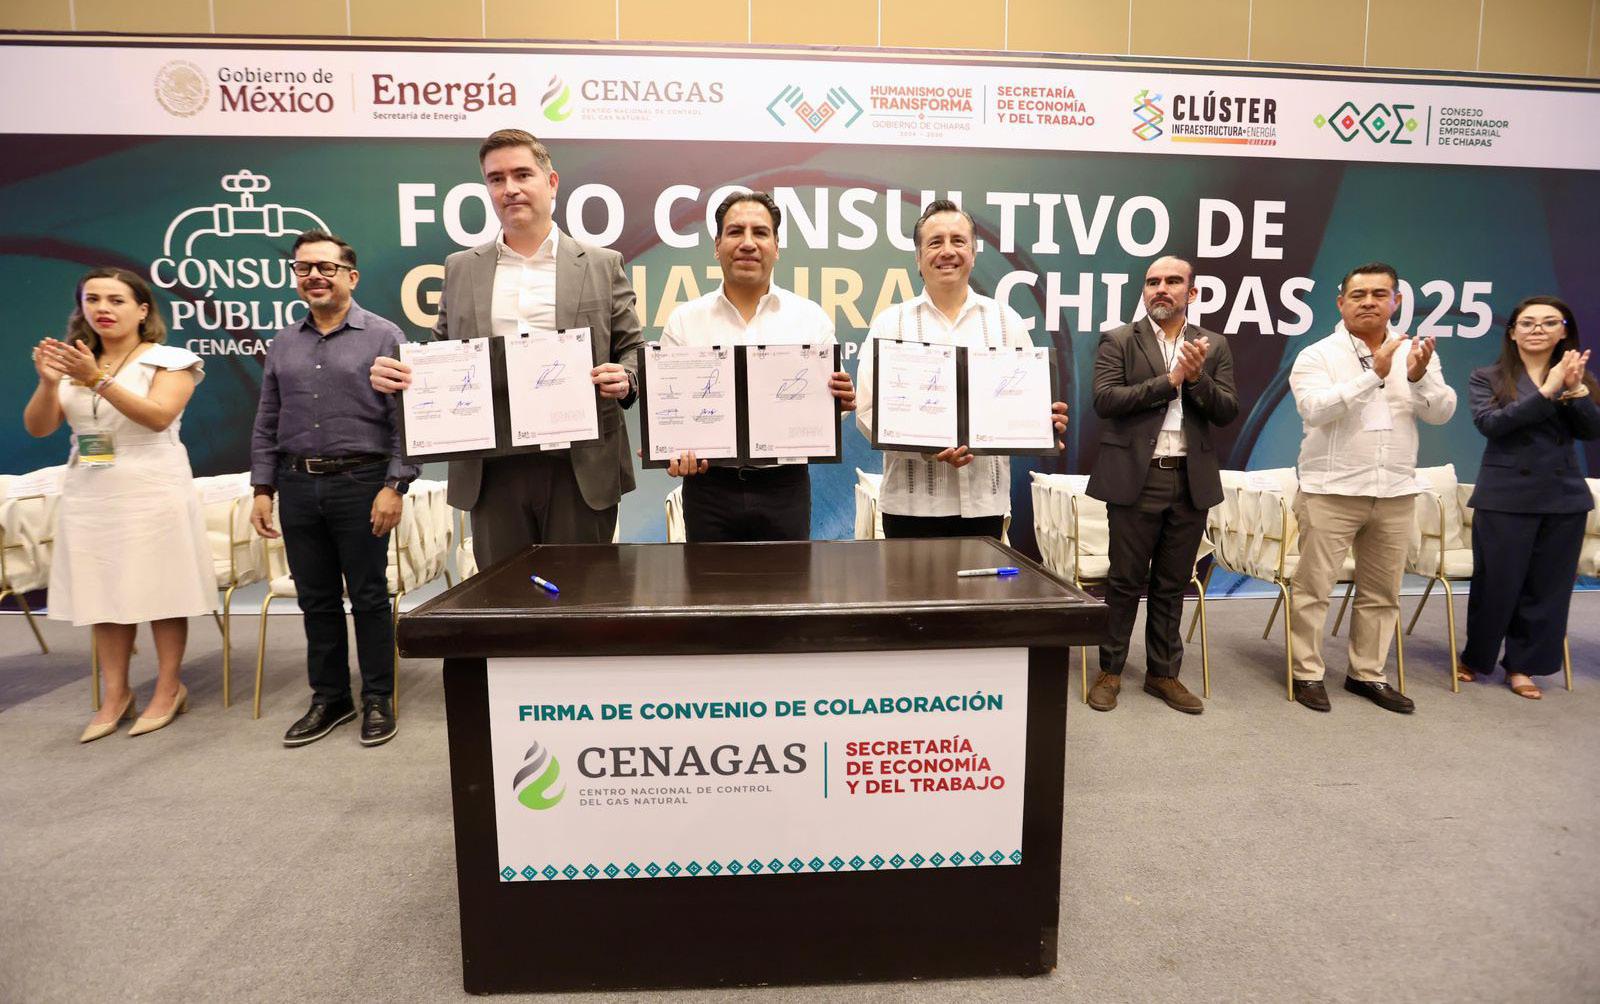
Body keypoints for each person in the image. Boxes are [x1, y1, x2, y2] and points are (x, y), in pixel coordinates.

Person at [370, 129, 642, 565]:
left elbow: (633, 350)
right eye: (496, 179)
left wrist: (626, 377)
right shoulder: (461, 268)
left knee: (582, 593)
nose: (509, 188)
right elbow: (443, 352)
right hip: (491, 468)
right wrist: (404, 373)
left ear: (551, 182)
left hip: (579, 467)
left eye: (522, 174)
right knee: (502, 597)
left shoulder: (601, 264)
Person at [24, 268, 214, 741]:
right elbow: (40, 427)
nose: (103, 308)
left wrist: (97, 380)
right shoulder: (74, 362)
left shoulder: (171, 360)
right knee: (101, 592)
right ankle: (116, 694)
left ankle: (169, 687)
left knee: (163, 591)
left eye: (116, 299)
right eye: (93, 299)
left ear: (142, 310)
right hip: (90, 489)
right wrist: (49, 383)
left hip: (152, 483)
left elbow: (158, 417)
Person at [250, 231, 417, 748]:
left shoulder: (384, 336)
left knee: (368, 597)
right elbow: (267, 419)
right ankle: (330, 698)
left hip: (362, 483)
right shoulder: (283, 342)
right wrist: (262, 487)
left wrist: (395, 485)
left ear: (352, 276)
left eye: (326, 267)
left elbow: (406, 419)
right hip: (298, 484)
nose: (314, 277)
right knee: (315, 599)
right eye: (303, 269)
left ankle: (378, 698)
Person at [1286, 261, 1456, 713]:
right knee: (1313, 589)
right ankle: (1306, 672)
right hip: (1330, 491)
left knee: (1382, 593)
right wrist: (1373, 374)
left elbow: (1441, 412)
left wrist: (1418, 376)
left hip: (1396, 491)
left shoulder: (1415, 353)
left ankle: (1367, 674)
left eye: (1379, 294)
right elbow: (1314, 409)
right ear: (1340, 302)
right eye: (1358, 295)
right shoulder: (1317, 355)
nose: (1368, 302)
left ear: (1395, 301)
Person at [855, 200, 1068, 539]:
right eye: (935, 242)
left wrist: (1044, 424)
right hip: (910, 506)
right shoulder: (891, 323)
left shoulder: (1006, 322)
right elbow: (867, 412)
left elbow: (1027, 400)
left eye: (958, 241)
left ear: (973, 252)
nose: (947, 251)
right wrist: (924, 448)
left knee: (980, 579)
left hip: (985, 504)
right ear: (918, 257)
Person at [1085, 255, 1238, 714]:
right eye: (1152, 282)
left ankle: (1163, 673)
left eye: (1172, 281)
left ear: (1191, 293)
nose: (1161, 289)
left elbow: (1226, 410)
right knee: (1124, 581)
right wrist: (1169, 381)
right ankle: (1110, 670)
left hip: (1190, 479)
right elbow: (1105, 400)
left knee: (1172, 584)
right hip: (1137, 477)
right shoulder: (1118, 340)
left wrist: (1197, 379)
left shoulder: (1213, 344)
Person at [657, 191, 855, 541]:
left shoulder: (810, 319)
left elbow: (828, 413)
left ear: (776, 247)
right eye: (735, 232)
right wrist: (670, 447)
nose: (747, 243)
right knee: (708, 577)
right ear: (717, 245)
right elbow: (669, 413)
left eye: (760, 233)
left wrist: (837, 403)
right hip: (708, 489)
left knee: (788, 577)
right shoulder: (684, 322)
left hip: (785, 487)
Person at [1460, 296, 1600, 699]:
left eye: (1549, 322)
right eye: (1527, 322)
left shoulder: (1580, 378)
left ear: (1563, 332)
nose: (1537, 329)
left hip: (1562, 498)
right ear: (1512, 332)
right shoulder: (1487, 377)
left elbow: (1592, 431)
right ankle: (1477, 656)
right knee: (1496, 584)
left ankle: (1524, 666)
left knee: (1547, 589)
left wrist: (1574, 389)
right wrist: (1548, 390)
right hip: (1505, 496)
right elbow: (1493, 424)